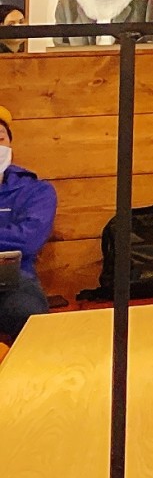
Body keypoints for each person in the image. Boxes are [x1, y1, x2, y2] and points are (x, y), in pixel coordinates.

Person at [0, 107, 54, 342]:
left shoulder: (37, 191)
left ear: (10, 144)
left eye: (0, 139)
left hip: (13, 281)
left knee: (27, 313)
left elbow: (29, 240)